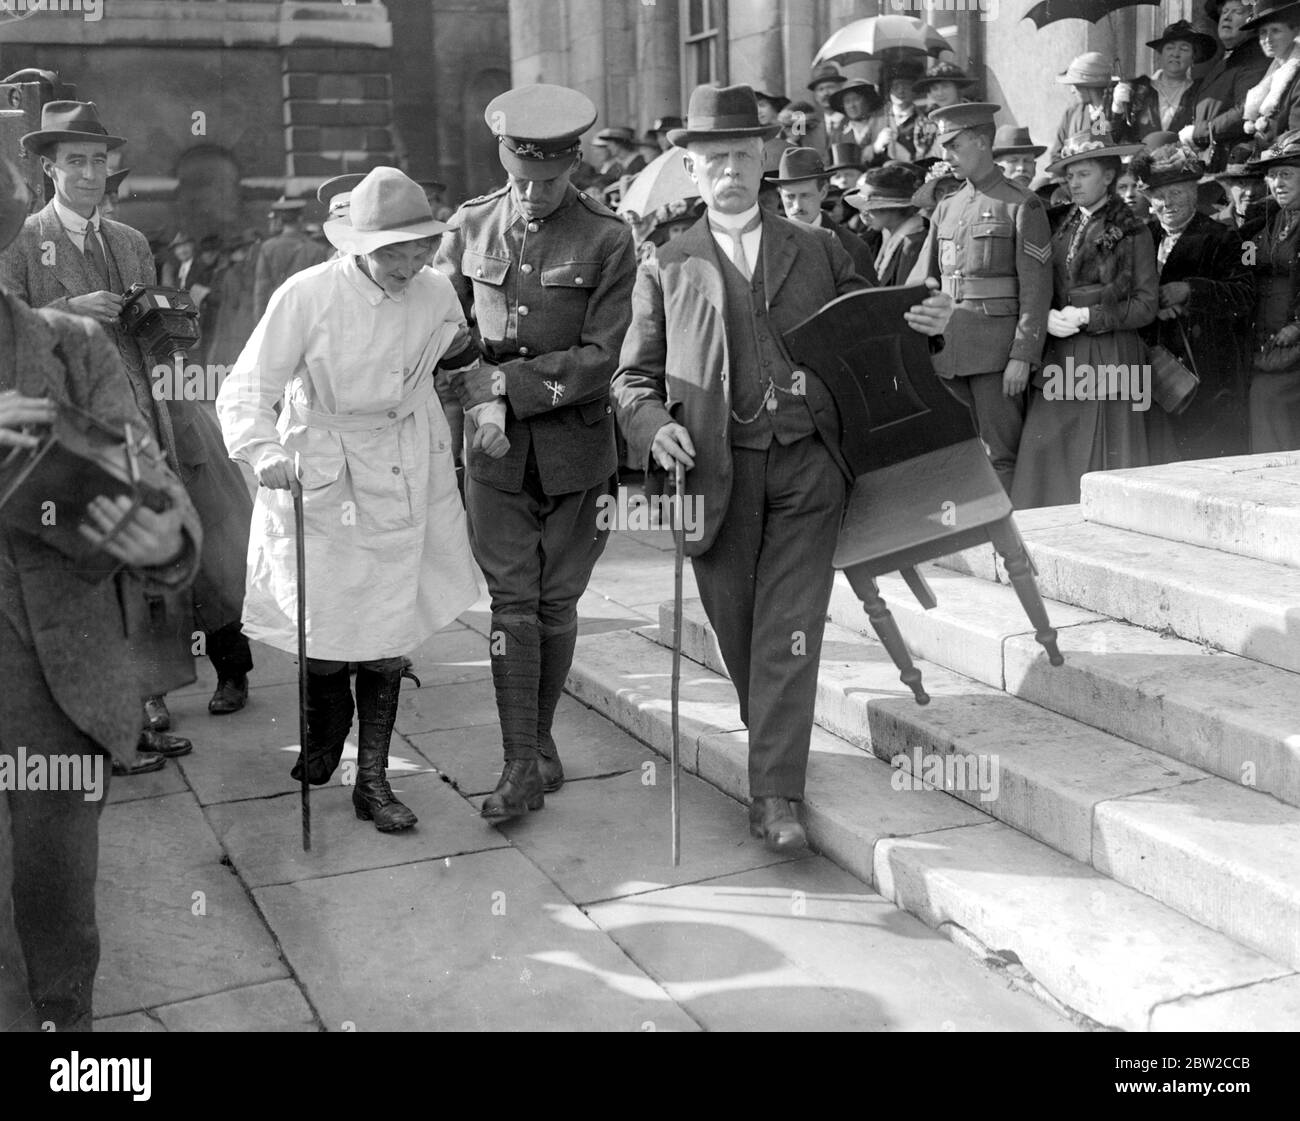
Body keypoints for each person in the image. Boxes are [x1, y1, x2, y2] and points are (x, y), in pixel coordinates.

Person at [613, 84, 953, 852]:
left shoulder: (821, 247)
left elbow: (874, 332)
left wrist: (923, 326)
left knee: (790, 627)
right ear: (691, 171)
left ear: (765, 157)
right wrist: (654, 424)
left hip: (809, 465)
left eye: (741, 153)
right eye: (712, 158)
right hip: (713, 474)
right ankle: (770, 732)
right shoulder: (668, 260)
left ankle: (774, 795)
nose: (729, 169)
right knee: (740, 629)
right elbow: (632, 378)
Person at [0, 155, 202, 1031]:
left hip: (58, 672)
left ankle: (62, 1023)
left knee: (55, 877)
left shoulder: (70, 349)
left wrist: (69, 469)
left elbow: (165, 515)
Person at [217, 167, 483, 832]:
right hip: (323, 469)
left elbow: (458, 357)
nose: (411, 262)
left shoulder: (434, 290)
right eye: (395, 250)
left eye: (422, 246)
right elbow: (247, 386)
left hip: (404, 462)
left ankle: (372, 780)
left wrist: (490, 404)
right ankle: (324, 730)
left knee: (388, 636)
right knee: (331, 630)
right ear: (359, 246)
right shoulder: (307, 295)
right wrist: (262, 449)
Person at [0, 101, 253, 747]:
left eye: (97, 161)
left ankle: (190, 680)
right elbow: (13, 331)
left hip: (154, 412)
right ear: (50, 169)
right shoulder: (23, 240)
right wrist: (69, 306)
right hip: (75, 428)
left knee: (174, 538)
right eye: (74, 162)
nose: (88, 174)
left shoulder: (132, 241)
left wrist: (164, 318)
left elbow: (158, 335)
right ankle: (143, 702)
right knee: (107, 562)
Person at [433, 85, 636, 821]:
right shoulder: (470, 224)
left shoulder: (609, 237)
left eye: (548, 180)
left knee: (556, 604)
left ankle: (540, 737)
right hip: (492, 451)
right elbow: (445, 332)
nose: (532, 193)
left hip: (577, 451)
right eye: (521, 176)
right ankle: (520, 761)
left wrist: (503, 381)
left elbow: (601, 356)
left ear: (574, 163)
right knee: (512, 603)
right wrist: (472, 393)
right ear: (503, 158)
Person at [911, 104, 1053, 495]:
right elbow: (924, 283)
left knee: (1001, 456)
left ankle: (1005, 546)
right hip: (948, 352)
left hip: (996, 356)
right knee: (958, 454)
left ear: (981, 141)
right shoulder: (946, 207)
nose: (946, 156)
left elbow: (1036, 292)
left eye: (954, 145)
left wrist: (1023, 357)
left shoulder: (1021, 204)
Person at [1012, 133, 1157, 509]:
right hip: (1062, 352)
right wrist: (1045, 315)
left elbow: (1144, 306)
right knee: (1047, 448)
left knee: (1105, 457)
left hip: (1110, 354)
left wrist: (1087, 315)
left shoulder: (1133, 230)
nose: (1074, 183)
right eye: (1070, 176)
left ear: (1108, 176)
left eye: (1084, 174)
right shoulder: (1061, 223)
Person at [1131, 144, 1254, 463]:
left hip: (1207, 376)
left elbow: (1245, 294)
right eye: (1159, 195)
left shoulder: (1226, 238)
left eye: (1176, 192)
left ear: (1193, 192)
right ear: (1148, 199)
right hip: (1153, 373)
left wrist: (1190, 290)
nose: (1167, 202)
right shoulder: (1141, 237)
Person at [1241, 129, 1300, 451]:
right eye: (1273, 175)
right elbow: (1247, 267)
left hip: (1294, 343)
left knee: (1267, 398)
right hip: (1266, 341)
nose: (1278, 183)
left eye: (1287, 174)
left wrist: (1297, 326)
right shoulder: (1263, 224)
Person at [767, 146, 879, 283]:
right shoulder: (768, 245)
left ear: (823, 192)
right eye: (790, 197)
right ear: (780, 194)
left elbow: (868, 303)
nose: (797, 206)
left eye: (805, 195)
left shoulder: (852, 247)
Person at [1181, 0, 1270, 170]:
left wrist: (1200, 132)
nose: (1227, 17)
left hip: (1234, 164)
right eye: (1224, 12)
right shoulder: (1225, 61)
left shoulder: (1254, 58)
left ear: (1253, 20)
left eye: (1236, 11)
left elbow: (1246, 111)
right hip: (1212, 161)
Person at [1113, 21, 1216, 142]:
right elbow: (1108, 137)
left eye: (1184, 49)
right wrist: (1117, 108)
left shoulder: (1200, 92)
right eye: (1170, 48)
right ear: (1161, 54)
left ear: (1193, 58)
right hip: (1139, 159)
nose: (1175, 54)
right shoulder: (1137, 89)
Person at [844, 163, 927, 285]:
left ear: (894, 208)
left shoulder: (913, 243)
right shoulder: (889, 237)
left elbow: (903, 295)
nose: (864, 213)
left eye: (872, 207)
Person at [253, 197, 329, 319]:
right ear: (300, 219)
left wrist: (260, 320)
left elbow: (261, 287)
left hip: (275, 310)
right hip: (304, 312)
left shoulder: (268, 247)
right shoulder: (316, 249)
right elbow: (320, 290)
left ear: (281, 221)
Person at [1049, 53, 1121, 165]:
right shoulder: (1071, 114)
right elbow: (1056, 156)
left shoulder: (1118, 111)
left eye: (1075, 85)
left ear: (1089, 86)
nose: (1072, 91)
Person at [913, 61, 977, 162]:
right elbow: (921, 153)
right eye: (935, 88)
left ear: (957, 87)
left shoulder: (974, 112)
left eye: (945, 86)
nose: (940, 93)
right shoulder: (925, 119)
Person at [866, 65, 927, 166]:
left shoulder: (924, 120)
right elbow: (863, 157)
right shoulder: (876, 120)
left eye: (907, 86)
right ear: (889, 91)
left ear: (914, 90)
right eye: (895, 87)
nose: (901, 91)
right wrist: (876, 146)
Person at [828, 79, 880, 150]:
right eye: (847, 101)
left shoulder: (881, 126)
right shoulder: (838, 135)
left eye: (856, 99)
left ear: (868, 101)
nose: (852, 106)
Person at [992, 125, 1046, 189]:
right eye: (1013, 161)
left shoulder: (1038, 198)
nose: (1021, 168)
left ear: (1034, 167)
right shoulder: (981, 197)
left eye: (1027, 161)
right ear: (996, 167)